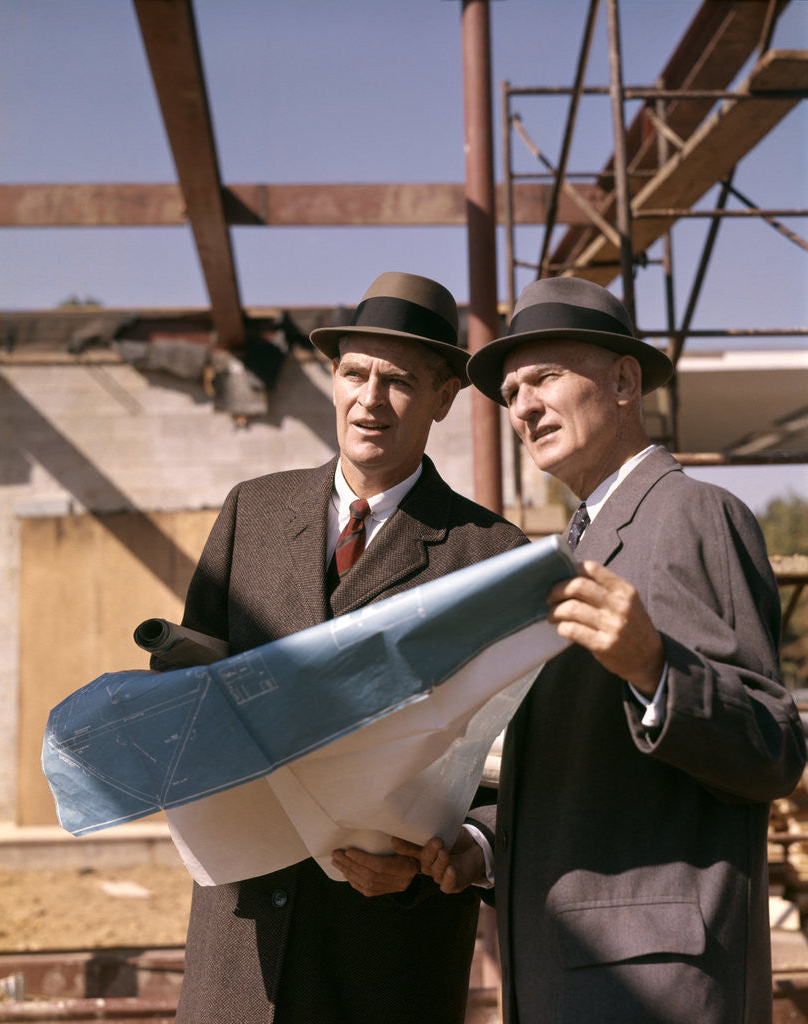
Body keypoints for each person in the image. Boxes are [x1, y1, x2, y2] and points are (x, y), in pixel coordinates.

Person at [388, 276, 806, 1024]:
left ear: (622, 380)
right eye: (510, 391)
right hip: (566, 965)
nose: (521, 406)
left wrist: (656, 667)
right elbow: (573, 768)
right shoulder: (573, 546)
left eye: (544, 377)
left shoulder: (692, 514)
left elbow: (772, 748)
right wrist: (482, 844)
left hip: (656, 984)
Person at [165, 271, 529, 1024]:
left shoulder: (491, 556)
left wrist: (454, 852)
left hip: (387, 950)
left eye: (397, 382)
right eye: (354, 374)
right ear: (331, 379)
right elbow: (186, 680)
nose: (369, 400)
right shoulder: (251, 514)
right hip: (244, 943)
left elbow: (525, 754)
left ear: (444, 398)